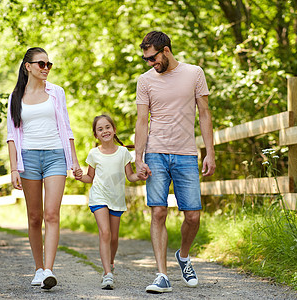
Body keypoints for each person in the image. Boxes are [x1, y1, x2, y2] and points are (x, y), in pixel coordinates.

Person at [134, 31, 216, 293]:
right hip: (155, 153)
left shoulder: (194, 73)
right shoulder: (144, 81)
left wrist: (210, 152)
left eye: (153, 58)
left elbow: (204, 114)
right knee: (158, 211)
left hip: (186, 153)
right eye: (146, 59)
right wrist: (138, 157)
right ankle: (161, 275)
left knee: (192, 215)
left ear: (166, 50)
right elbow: (141, 121)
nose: (150, 63)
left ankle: (183, 255)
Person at [7, 47, 82, 290]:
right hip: (28, 158)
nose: (46, 68)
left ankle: (49, 270)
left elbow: (67, 129)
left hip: (55, 157)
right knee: (34, 216)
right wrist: (13, 168)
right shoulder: (15, 96)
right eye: (41, 64)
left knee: (51, 214)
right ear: (27, 66)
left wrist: (74, 160)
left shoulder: (57, 92)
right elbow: (11, 136)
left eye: (49, 64)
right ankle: (38, 269)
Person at [76, 114, 140, 290]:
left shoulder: (123, 152)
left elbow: (130, 176)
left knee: (113, 237)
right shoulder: (94, 153)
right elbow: (90, 177)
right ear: (96, 135)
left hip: (116, 199)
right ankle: (107, 274)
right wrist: (80, 177)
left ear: (114, 130)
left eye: (107, 127)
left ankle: (110, 263)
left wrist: (140, 175)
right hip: (99, 197)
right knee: (105, 233)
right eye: (100, 129)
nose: (104, 131)